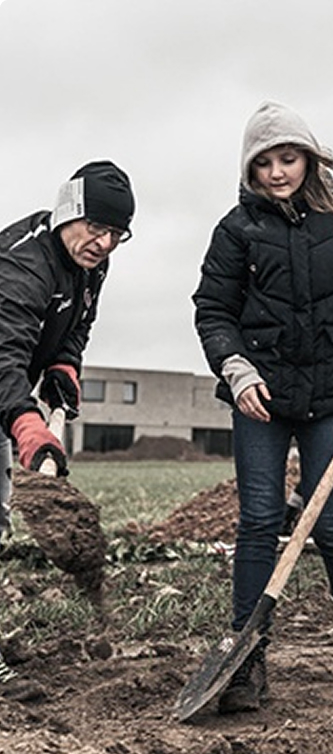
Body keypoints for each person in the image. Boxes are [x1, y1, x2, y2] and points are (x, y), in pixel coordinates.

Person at [193, 100, 333, 714]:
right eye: (263, 163)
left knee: (329, 519)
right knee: (259, 519)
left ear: (309, 158)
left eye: (288, 158)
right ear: (249, 169)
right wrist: (234, 366)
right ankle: (246, 656)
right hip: (261, 396)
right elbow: (213, 309)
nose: (277, 172)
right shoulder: (237, 230)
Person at [0, 159, 136, 701]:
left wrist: (63, 367)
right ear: (67, 212)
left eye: (117, 233)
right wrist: (29, 428)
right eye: (96, 227)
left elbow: (77, 325)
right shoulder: (22, 264)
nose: (105, 243)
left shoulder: (89, 264)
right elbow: (4, 357)